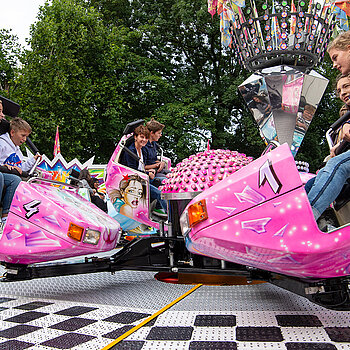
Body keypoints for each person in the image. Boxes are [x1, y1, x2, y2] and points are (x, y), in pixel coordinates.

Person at [307, 70, 350, 223]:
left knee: (337, 165)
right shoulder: (345, 115)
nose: (343, 92)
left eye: (346, 86)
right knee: (313, 181)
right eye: (339, 90)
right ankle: (293, 211)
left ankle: (307, 218)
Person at [0, 117, 37, 225]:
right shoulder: (2, 143)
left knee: (16, 179)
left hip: (8, 176)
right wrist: (4, 166)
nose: (25, 139)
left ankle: (6, 215)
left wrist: (32, 161)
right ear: (12, 132)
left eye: (26, 136)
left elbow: (21, 169)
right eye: (23, 135)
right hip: (1, 173)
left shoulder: (17, 150)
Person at [123, 124, 167, 214]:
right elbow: (133, 171)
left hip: (144, 179)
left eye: (146, 138)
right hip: (137, 182)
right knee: (161, 194)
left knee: (166, 181)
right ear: (135, 137)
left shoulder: (141, 149)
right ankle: (171, 220)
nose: (144, 140)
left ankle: (162, 210)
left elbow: (143, 166)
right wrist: (147, 173)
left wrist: (148, 171)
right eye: (141, 137)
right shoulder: (131, 152)